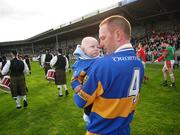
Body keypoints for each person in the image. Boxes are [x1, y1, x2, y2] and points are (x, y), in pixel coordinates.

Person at [73, 15, 144, 135]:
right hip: (124, 129)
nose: (100, 44)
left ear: (117, 35)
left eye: (103, 38)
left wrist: (77, 86)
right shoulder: (139, 63)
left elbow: (81, 101)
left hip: (101, 130)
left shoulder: (103, 64)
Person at [71, 37, 100, 125]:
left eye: (97, 47)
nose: (96, 49)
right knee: (90, 117)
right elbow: (75, 78)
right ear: (83, 50)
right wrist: (77, 86)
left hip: (100, 92)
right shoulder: (81, 63)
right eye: (92, 47)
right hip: (87, 94)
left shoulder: (101, 60)